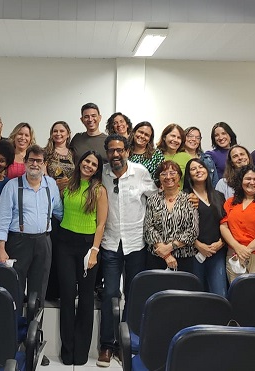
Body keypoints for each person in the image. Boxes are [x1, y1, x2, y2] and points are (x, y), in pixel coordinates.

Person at [98, 134, 156, 367]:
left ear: (127, 151)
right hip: (110, 243)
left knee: (133, 294)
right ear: (107, 153)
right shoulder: (101, 173)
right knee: (110, 294)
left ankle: (126, 344)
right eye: (111, 150)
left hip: (136, 243)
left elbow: (155, 199)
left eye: (119, 150)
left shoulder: (140, 172)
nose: (115, 154)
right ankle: (106, 344)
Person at [0, 144, 63, 304]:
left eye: (39, 161)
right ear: (25, 162)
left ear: (44, 163)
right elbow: (3, 218)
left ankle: (35, 327)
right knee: (14, 287)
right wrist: (1, 248)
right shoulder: (12, 186)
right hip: (18, 242)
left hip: (43, 241)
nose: (35, 164)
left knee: (39, 290)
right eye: (31, 160)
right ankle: (13, 326)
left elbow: (59, 211)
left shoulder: (51, 185)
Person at [57, 150, 107, 366]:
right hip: (64, 245)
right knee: (67, 297)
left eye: (94, 164)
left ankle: (81, 352)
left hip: (88, 246)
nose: (89, 165)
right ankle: (67, 351)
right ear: (79, 163)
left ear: (97, 169)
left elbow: (101, 224)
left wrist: (95, 251)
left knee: (86, 299)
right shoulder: (67, 185)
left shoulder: (99, 190)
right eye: (86, 161)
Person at [144, 160, 199, 271]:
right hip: (156, 257)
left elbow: (193, 231)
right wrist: (166, 255)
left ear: (179, 177)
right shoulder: (152, 200)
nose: (168, 177)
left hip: (184, 258)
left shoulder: (189, 199)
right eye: (163, 174)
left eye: (173, 173)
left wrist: (169, 247)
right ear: (159, 178)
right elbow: (148, 228)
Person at [183, 158, 227, 296]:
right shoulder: (185, 196)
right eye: (193, 169)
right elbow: (181, 227)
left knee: (220, 293)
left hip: (217, 252)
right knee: (196, 294)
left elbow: (225, 222)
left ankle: (219, 318)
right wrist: (198, 245)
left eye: (201, 167)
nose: (198, 171)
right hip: (194, 252)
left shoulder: (218, 196)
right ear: (189, 175)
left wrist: (221, 242)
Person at [43, 120, 75, 301]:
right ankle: (51, 292)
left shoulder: (73, 153)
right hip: (52, 205)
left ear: (68, 133)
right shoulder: (46, 153)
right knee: (52, 250)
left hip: (70, 206)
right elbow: (42, 177)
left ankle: (67, 290)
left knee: (66, 250)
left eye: (62, 131)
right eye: (55, 131)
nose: (58, 134)